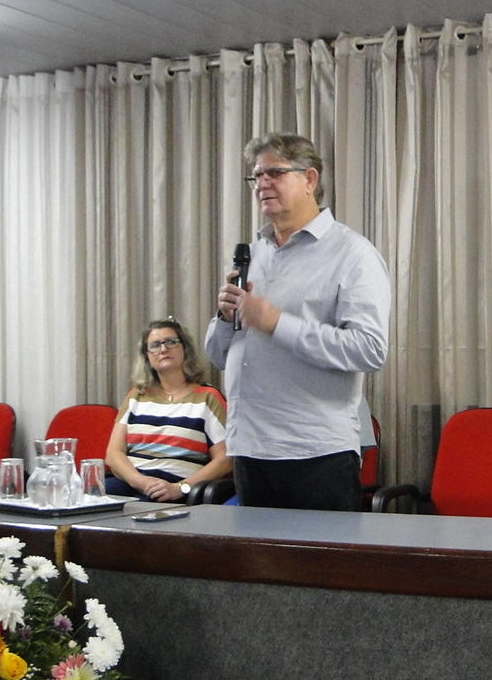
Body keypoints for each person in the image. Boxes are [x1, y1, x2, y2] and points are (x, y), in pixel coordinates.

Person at [204, 132, 390, 511]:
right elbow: (219, 356)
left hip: (314, 451)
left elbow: (369, 350)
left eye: (274, 172)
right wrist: (224, 319)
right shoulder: (253, 254)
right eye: (256, 175)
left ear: (310, 179)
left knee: (319, 553)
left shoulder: (352, 253)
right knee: (256, 553)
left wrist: (277, 323)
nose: (262, 183)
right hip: (249, 447)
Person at [105, 319, 230, 502]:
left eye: (171, 342)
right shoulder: (136, 395)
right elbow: (113, 454)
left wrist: (180, 488)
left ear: (185, 349)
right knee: (92, 497)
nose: (163, 349)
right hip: (132, 483)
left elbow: (226, 460)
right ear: (147, 356)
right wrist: (139, 481)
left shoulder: (208, 397)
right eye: (155, 345)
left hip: (176, 489)